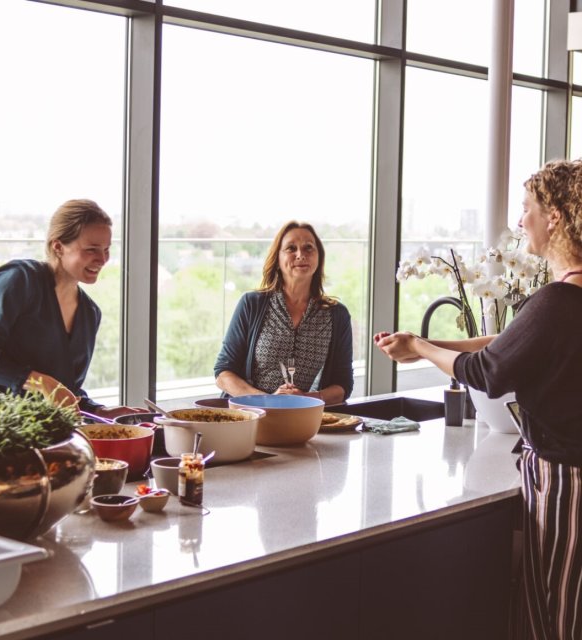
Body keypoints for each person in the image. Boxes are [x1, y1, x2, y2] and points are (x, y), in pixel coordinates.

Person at [374, 158, 582, 640]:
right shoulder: (564, 300)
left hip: (567, 487)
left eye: (527, 208)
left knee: (557, 617)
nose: (519, 221)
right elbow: (504, 345)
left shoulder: (555, 303)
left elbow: (487, 373)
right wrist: (424, 345)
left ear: (554, 218)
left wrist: (422, 348)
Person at [0, 199, 138, 419]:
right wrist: (43, 382)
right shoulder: (20, 279)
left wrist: (98, 410)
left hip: (46, 432)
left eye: (106, 250)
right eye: (91, 249)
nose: (102, 259)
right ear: (58, 246)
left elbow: (66, 390)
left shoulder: (90, 313)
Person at [214, 221, 354, 405]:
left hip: (302, 419)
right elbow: (223, 373)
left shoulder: (337, 314)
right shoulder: (251, 304)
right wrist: (267, 401)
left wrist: (305, 400)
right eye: (291, 248)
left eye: (308, 248)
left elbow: (343, 385)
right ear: (277, 259)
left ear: (318, 257)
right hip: (248, 417)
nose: (300, 255)